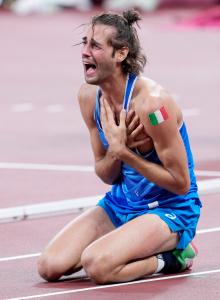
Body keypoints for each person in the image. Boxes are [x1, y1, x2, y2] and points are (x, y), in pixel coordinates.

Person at [37, 9, 202, 284]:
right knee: (49, 266)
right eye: (85, 43)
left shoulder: (152, 106)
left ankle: (173, 257)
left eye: (96, 46)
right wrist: (116, 152)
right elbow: (106, 174)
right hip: (122, 203)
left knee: (98, 266)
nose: (85, 52)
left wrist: (125, 153)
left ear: (121, 54)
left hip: (169, 208)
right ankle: (125, 243)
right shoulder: (89, 97)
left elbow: (181, 183)